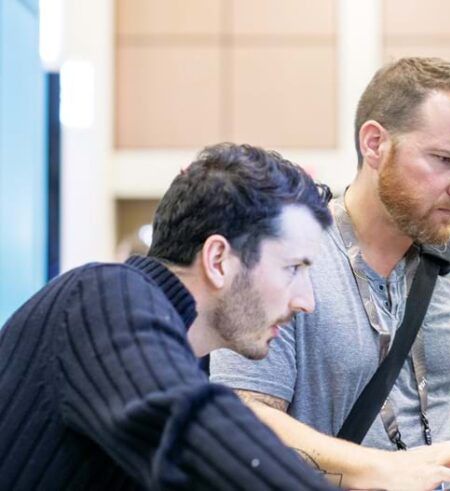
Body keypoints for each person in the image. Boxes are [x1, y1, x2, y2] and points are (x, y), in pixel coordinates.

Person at [211, 57, 450, 485]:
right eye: (444, 159)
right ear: (374, 144)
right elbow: (244, 419)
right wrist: (381, 469)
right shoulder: (277, 260)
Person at [0, 143, 344, 489]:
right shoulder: (100, 295)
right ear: (218, 260)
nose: (306, 302)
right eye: (292, 268)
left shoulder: (179, 359)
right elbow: (195, 428)